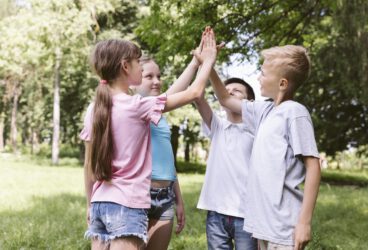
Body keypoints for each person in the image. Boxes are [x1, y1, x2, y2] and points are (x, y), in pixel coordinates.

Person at [80, 28, 216, 250]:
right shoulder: (136, 106)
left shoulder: (94, 108)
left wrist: (89, 204)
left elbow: (89, 165)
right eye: (137, 64)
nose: (140, 67)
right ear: (125, 67)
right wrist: (208, 60)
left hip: (99, 203)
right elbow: (193, 92)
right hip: (127, 204)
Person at [208, 45, 321, 250]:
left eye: (263, 73)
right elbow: (225, 99)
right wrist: (209, 63)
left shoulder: (295, 112)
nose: (259, 77)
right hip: (263, 225)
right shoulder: (264, 111)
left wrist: (304, 222)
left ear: (282, 83)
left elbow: (313, 165)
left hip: (284, 226)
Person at [131, 53, 201, 250]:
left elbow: (167, 160)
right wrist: (197, 63)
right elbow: (177, 92)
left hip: (165, 196)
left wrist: (178, 199)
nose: (157, 82)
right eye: (149, 77)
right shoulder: (134, 109)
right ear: (133, 82)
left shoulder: (159, 115)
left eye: (159, 76)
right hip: (140, 194)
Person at [195, 76, 258, 250]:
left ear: (249, 102)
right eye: (225, 90)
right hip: (216, 214)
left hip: (247, 215)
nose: (228, 93)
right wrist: (205, 63)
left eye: (236, 91)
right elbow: (197, 97)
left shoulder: (257, 130)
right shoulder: (217, 126)